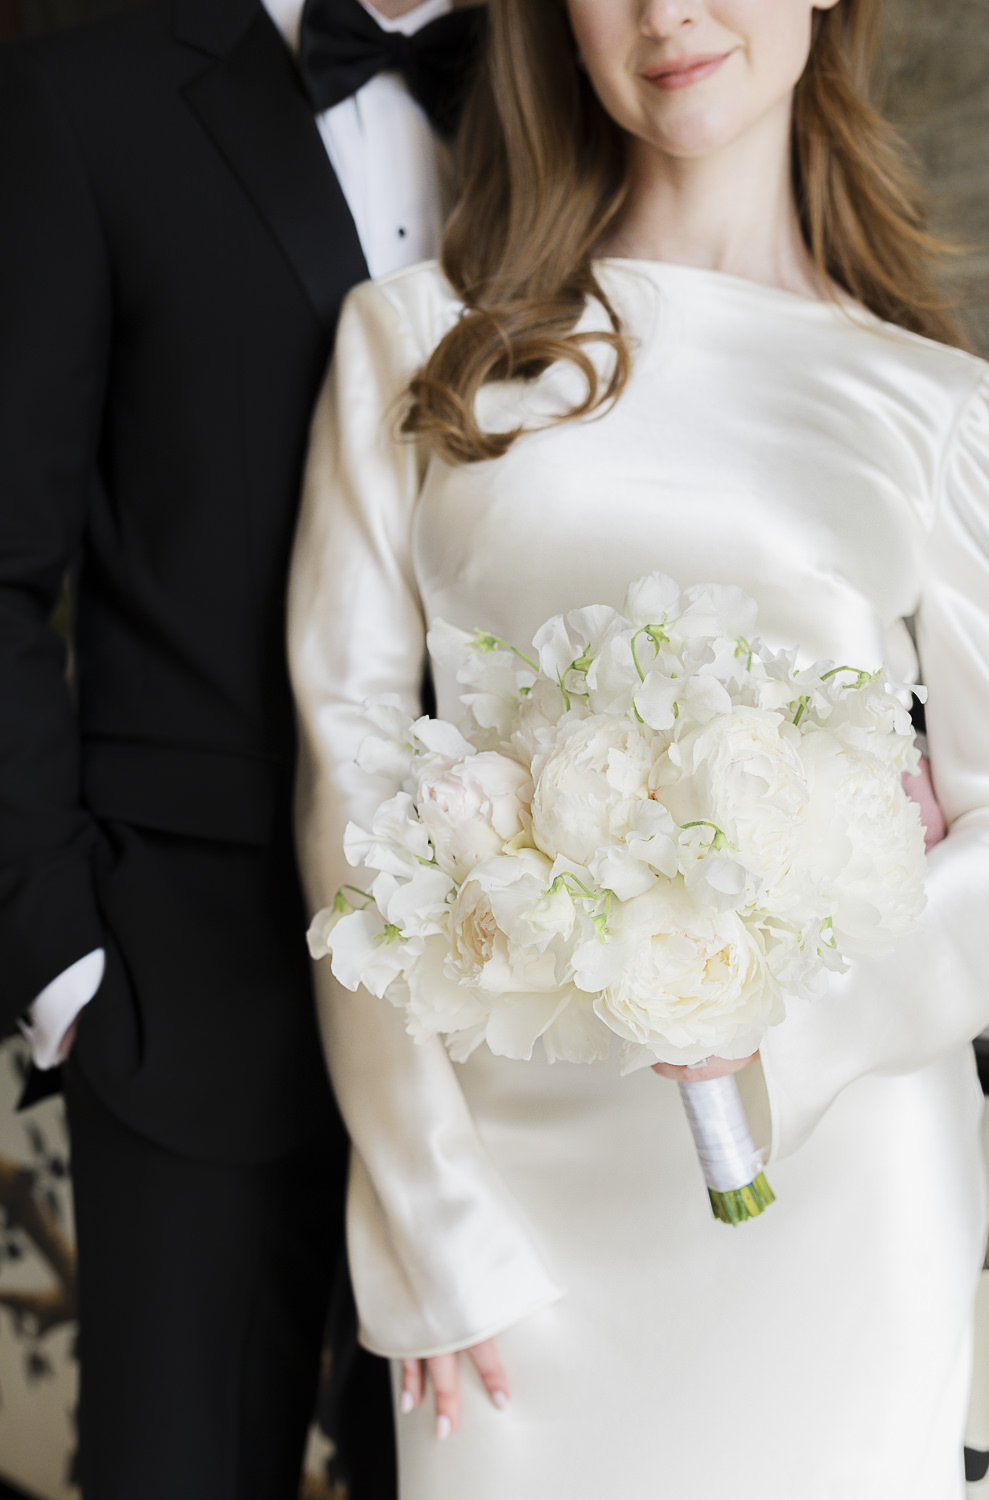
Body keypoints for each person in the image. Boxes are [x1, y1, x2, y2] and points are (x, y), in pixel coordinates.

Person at [287, 0, 989, 1495]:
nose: (670, 15)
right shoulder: (413, 341)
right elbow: (347, 779)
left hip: (844, 1183)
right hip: (509, 1202)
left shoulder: (939, 405)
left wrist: (799, 1028)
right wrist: (426, 1212)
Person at [0, 0, 483, 1495]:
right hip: (191, 985)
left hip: (519, 987)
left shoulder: (578, 84)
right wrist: (59, 960)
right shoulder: (79, 99)